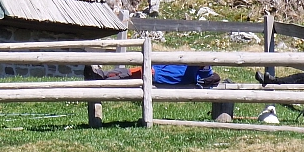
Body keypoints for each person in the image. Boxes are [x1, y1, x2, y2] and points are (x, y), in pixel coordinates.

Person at [86, 64, 221, 87]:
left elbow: (212, 75)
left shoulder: (195, 74)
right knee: (128, 72)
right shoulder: (193, 67)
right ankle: (102, 76)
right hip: (156, 70)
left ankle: (102, 79)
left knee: (127, 75)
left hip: (156, 75)